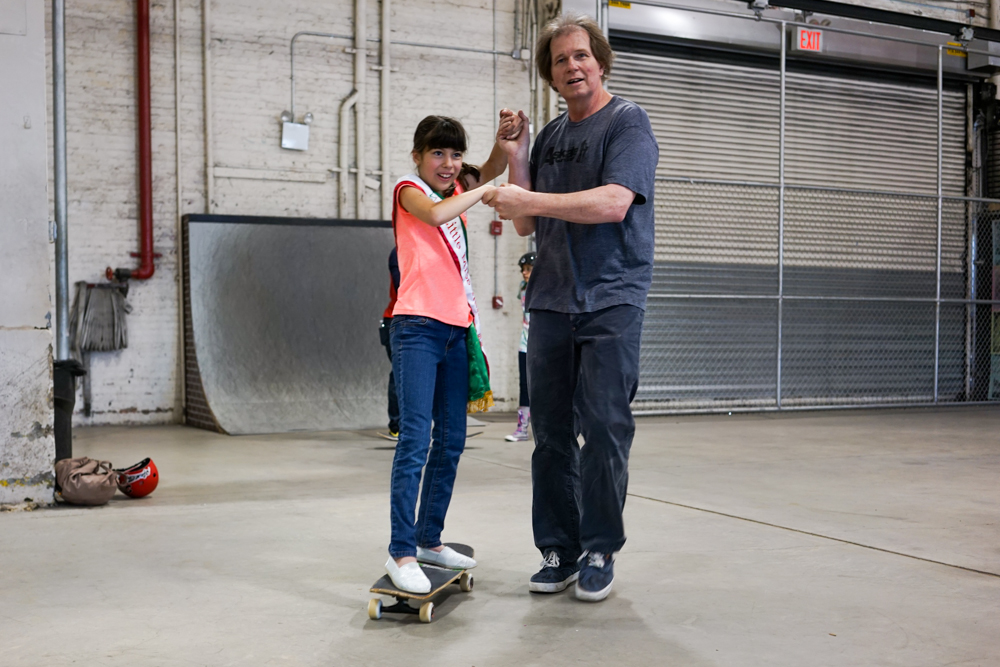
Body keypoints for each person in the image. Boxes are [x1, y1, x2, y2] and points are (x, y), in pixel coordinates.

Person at [485, 14, 659, 602]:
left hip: (612, 297)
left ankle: (600, 545)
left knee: (606, 429)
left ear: (600, 62)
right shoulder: (553, 139)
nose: (573, 66)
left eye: (581, 55)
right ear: (551, 78)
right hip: (553, 300)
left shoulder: (628, 122)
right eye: (560, 61)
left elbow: (614, 203)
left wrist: (527, 193)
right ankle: (557, 547)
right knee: (551, 433)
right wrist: (517, 154)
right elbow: (527, 221)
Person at [384, 112, 522, 593]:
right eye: (437, 153)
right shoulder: (410, 191)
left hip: (456, 330)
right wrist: (481, 191)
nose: (448, 164)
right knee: (415, 441)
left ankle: (428, 538)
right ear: (418, 156)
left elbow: (489, 169)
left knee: (452, 441)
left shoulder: (453, 185)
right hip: (417, 328)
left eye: (454, 154)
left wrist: (503, 144)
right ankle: (401, 549)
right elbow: (440, 213)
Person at [505, 251, 535, 442]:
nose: (525, 273)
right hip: (524, 344)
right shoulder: (523, 288)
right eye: (523, 270)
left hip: (541, 344)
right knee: (524, 386)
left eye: (529, 269)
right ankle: (522, 428)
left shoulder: (546, 288)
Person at [379, 247, 401, 440]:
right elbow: (402, 286)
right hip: (395, 320)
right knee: (399, 373)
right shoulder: (398, 252)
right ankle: (396, 424)